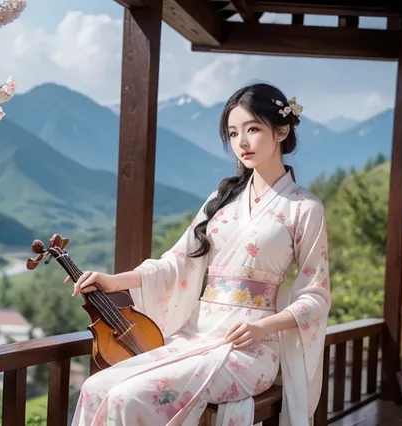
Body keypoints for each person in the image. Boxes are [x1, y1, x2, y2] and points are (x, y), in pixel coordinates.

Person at [65, 83, 331, 426]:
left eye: (253, 129)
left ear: (281, 130)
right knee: (96, 387)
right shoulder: (221, 200)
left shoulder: (304, 208)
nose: (242, 143)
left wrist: (263, 327)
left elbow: (315, 295)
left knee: (126, 396)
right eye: (233, 133)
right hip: (195, 337)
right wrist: (112, 280)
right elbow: (176, 262)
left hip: (249, 349)